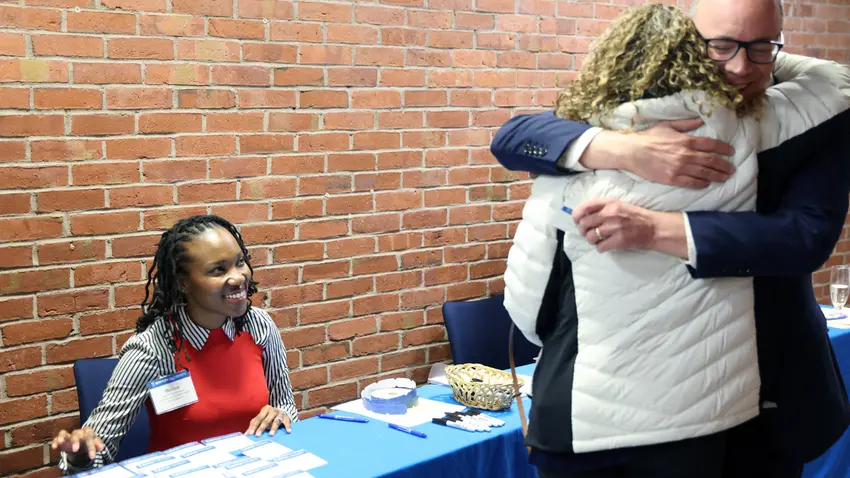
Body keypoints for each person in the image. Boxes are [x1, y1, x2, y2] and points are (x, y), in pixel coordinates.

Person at [491, 0, 850, 476]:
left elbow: (805, 237)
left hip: (773, 380)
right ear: (686, 43)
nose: (741, 68)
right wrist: (624, 149)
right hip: (648, 392)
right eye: (720, 47)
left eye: (762, 47)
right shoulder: (633, 118)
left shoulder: (804, 119)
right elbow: (514, 137)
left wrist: (660, 229)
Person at [51, 215, 298, 473]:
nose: (238, 278)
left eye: (240, 263)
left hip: (258, 468)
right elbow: (99, 445)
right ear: (183, 282)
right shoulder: (152, 348)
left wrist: (282, 415)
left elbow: (286, 404)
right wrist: (80, 454)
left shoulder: (259, 326)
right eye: (218, 270)